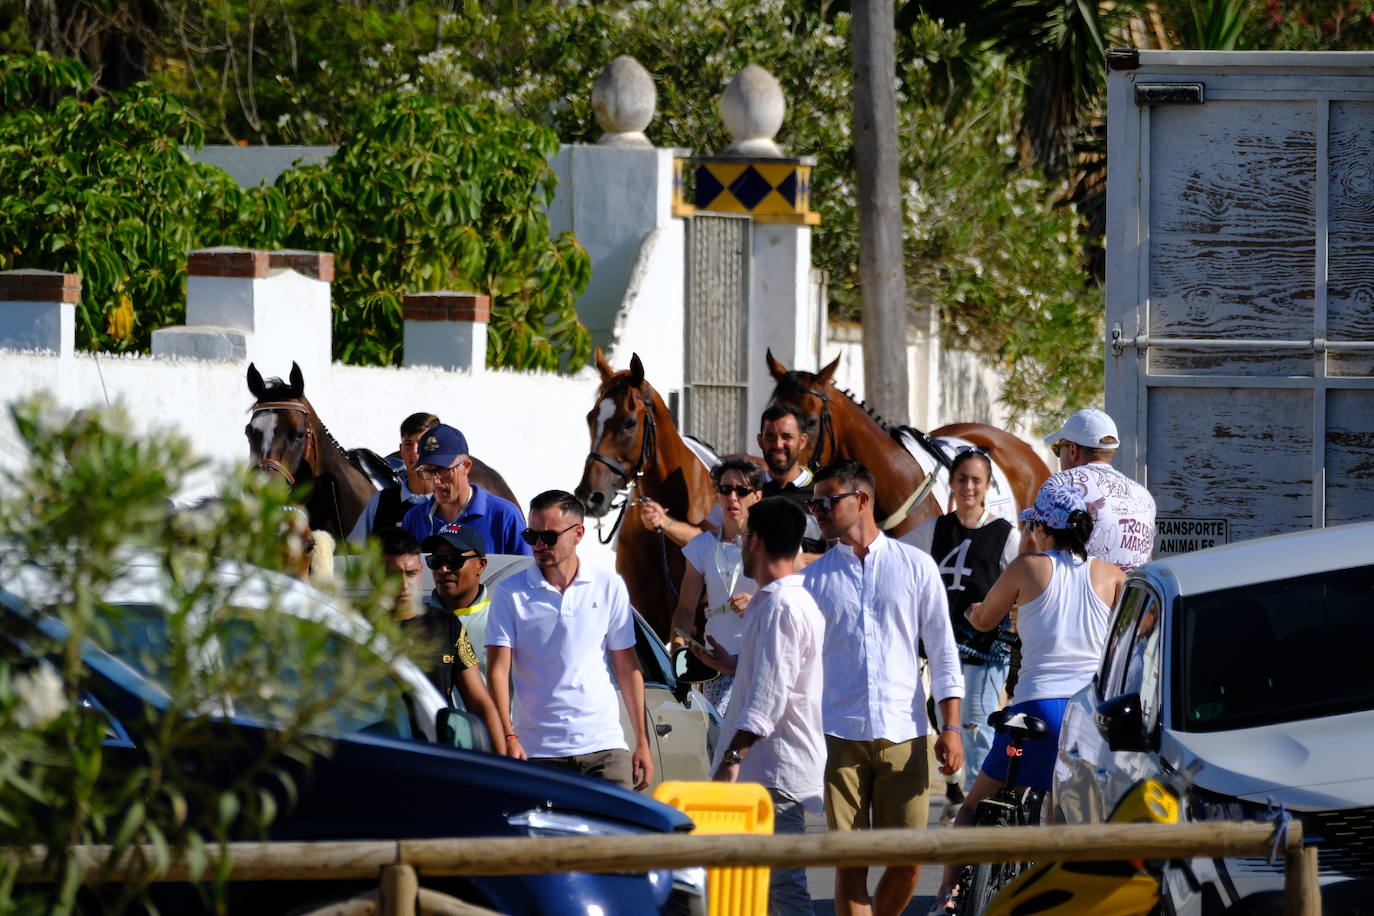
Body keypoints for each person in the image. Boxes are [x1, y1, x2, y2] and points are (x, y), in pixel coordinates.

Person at [930, 482, 1124, 913]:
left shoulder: (1028, 567)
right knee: (1062, 807)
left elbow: (984, 621)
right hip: (1084, 715)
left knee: (974, 804)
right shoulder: (1113, 576)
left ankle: (949, 894)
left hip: (1034, 705)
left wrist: (971, 613)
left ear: (1042, 527)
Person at [802, 460, 964, 916]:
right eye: (814, 502)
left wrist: (950, 727)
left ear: (862, 500)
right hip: (838, 736)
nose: (818, 510)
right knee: (850, 865)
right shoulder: (813, 579)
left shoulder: (916, 566)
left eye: (828, 501)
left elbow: (942, 650)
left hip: (904, 732)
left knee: (908, 861)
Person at [701, 497, 825, 916]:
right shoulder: (778, 600)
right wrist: (729, 664)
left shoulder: (780, 605)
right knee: (762, 890)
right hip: (769, 769)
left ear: (755, 541)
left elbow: (768, 700)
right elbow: (774, 678)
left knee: (782, 889)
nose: (738, 544)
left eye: (742, 536)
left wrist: (732, 759)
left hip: (774, 772)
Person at [486, 490, 654, 790]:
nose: (538, 545)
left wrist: (642, 741)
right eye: (531, 535)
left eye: (548, 537)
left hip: (604, 748)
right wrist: (508, 737)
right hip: (537, 754)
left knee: (619, 837)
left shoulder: (609, 586)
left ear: (578, 534)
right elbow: (498, 671)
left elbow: (628, 668)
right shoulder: (510, 592)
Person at [904, 449, 1022, 798]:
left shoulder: (1004, 534)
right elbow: (897, 561)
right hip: (943, 646)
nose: (968, 486)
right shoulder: (934, 530)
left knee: (976, 721)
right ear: (951, 484)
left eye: (976, 480)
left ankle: (980, 802)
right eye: (961, 479)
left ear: (987, 486)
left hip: (987, 649)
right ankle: (960, 792)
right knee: (946, 720)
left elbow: (1021, 585)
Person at [380, 527, 506, 755]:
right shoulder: (357, 626)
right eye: (437, 561)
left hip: (438, 758)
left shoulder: (449, 626)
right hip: (378, 754)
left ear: (419, 571)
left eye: (409, 573)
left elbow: (479, 702)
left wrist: (505, 763)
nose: (403, 584)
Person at [637, 404, 825, 555]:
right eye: (770, 437)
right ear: (760, 441)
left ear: (802, 441)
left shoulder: (822, 492)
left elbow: (839, 556)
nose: (777, 444)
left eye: (786, 437)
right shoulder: (742, 490)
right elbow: (703, 539)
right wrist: (664, 521)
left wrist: (794, 565)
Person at [666, 457, 761, 711]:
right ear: (717, 495)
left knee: (760, 744)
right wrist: (677, 651)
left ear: (757, 496)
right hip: (717, 658)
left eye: (742, 490)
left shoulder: (771, 543)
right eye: (725, 489)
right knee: (717, 743)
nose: (733, 497)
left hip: (762, 656)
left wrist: (758, 602)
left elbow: (792, 594)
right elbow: (686, 608)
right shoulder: (701, 546)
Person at [1040, 409, 1155, 571]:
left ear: (1072, 450)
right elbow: (1147, 562)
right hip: (1127, 595)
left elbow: (1038, 550)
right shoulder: (1144, 496)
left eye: (1058, 450)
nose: (1059, 457)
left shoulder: (1059, 484)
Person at [400, 423, 530, 556]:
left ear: (467, 467)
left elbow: (526, 575)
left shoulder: (505, 516)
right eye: (428, 471)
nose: (436, 480)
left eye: (443, 470)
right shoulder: (414, 519)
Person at [347, 412, 439, 543]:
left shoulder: (454, 502)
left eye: (422, 443)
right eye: (408, 443)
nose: (414, 451)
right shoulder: (380, 502)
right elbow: (352, 552)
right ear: (401, 450)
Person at [421, 531, 493, 677]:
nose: (443, 569)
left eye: (454, 560)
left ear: (481, 565)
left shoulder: (503, 620)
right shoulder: (417, 621)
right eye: (436, 561)